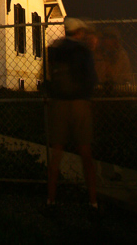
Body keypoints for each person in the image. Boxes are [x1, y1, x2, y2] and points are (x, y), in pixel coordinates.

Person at [47, 17, 98, 212]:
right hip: (79, 105)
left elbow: (49, 77)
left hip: (59, 104)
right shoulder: (83, 51)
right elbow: (91, 78)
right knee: (86, 154)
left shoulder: (55, 49)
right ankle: (92, 202)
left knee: (56, 155)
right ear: (79, 32)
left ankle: (51, 201)